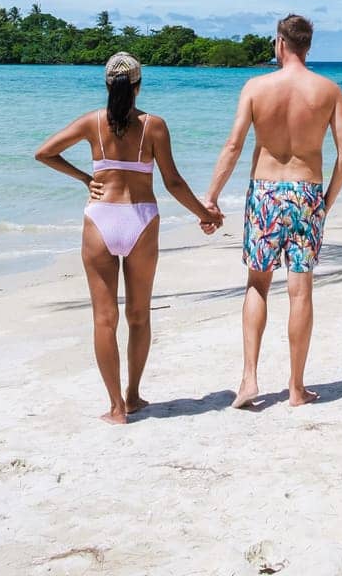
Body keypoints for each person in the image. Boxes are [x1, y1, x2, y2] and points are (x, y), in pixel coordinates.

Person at [35, 51, 221, 424]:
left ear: (107, 84)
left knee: (105, 319)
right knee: (139, 316)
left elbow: (45, 152)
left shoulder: (92, 123)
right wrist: (205, 215)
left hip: (100, 221)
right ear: (138, 86)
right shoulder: (154, 125)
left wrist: (87, 179)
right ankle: (134, 395)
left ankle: (116, 408)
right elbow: (173, 182)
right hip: (140, 221)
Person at [204, 14, 342, 409]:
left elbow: (234, 146)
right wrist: (326, 202)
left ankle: (249, 380)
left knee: (257, 284)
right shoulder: (329, 91)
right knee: (300, 290)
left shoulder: (256, 87)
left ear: (280, 43)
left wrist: (211, 196)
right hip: (307, 192)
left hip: (265, 193)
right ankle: (296, 387)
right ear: (307, 46)